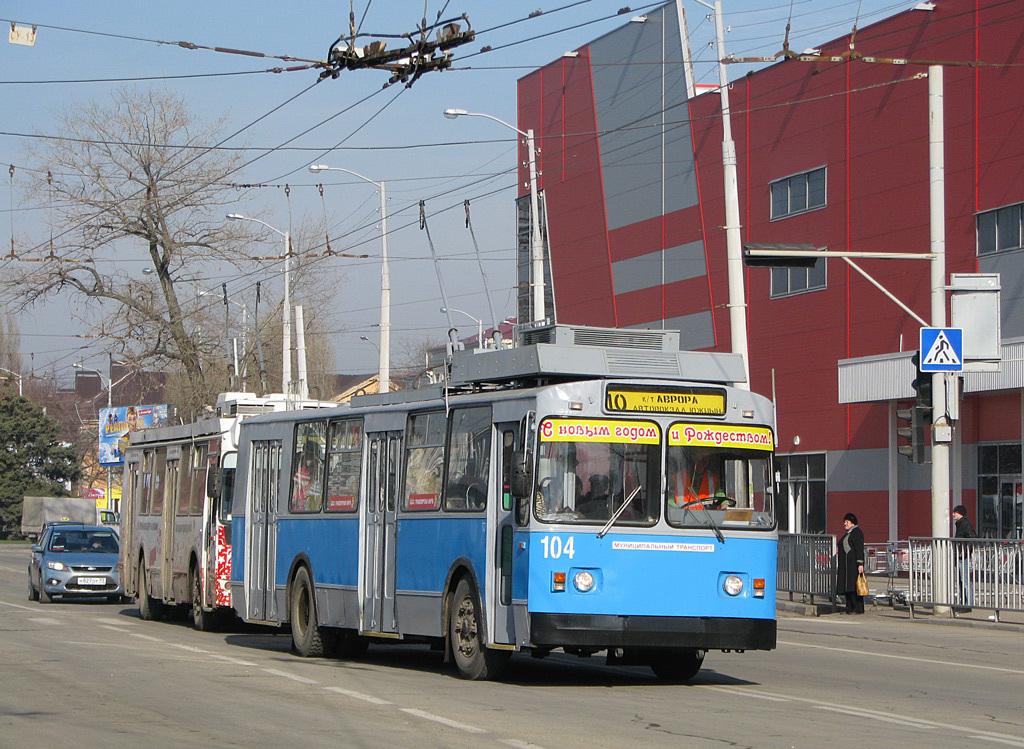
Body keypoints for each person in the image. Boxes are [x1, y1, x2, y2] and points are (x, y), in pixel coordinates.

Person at [836, 512, 866, 614]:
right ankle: (849, 608)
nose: (845, 524)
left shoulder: (857, 533)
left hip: (853, 565)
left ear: (852, 523)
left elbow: (859, 549)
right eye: (844, 522)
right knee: (847, 586)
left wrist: (860, 563)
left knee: (854, 586)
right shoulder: (848, 533)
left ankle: (857, 608)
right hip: (846, 566)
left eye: (847, 522)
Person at [952, 504, 977, 610]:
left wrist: (965, 551)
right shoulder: (960, 524)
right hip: (960, 555)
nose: (953, 514)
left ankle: (968, 604)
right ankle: (964, 603)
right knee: (962, 580)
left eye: (955, 512)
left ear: (959, 513)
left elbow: (972, 538)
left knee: (965, 580)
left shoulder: (965, 524)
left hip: (963, 556)